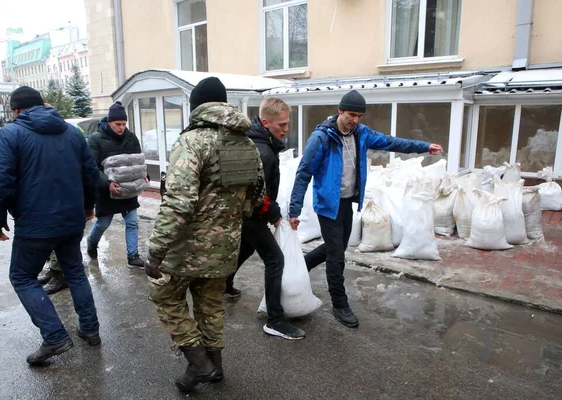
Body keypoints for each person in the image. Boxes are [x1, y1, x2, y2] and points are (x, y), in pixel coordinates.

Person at [145, 77, 265, 393]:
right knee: (210, 303)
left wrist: (157, 248)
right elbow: (256, 196)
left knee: (165, 296)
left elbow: (179, 202)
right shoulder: (247, 143)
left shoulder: (192, 142)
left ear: (196, 106)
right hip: (225, 246)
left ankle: (199, 363)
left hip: (186, 248)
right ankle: (215, 367)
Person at [289, 90, 443, 328]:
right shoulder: (322, 138)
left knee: (336, 246)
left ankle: (302, 266)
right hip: (327, 205)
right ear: (340, 111)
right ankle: (340, 304)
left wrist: (423, 146)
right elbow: (303, 174)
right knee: (336, 255)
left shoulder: (361, 134)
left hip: (347, 202)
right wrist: (294, 210)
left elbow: (392, 142)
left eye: (360, 116)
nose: (356, 120)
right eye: (352, 114)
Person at [0, 86, 101, 365]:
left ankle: (54, 336)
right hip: (71, 220)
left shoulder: (10, 134)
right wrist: (87, 208)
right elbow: (90, 175)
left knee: (22, 277)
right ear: (43, 106)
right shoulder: (73, 133)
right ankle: (90, 329)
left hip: (35, 224)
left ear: (15, 110)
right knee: (74, 271)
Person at [224, 97, 305, 340]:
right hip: (252, 214)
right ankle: (275, 320)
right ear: (266, 122)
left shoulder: (258, 142)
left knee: (245, 249)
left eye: (287, 124)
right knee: (275, 260)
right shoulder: (263, 152)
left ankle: (223, 285)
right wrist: (275, 216)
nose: (286, 129)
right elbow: (258, 193)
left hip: (247, 213)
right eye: (282, 124)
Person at [86, 102, 146, 268]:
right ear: (109, 122)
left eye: (124, 124)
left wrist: (144, 175)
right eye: (117, 124)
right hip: (106, 191)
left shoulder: (131, 138)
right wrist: (107, 183)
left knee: (132, 222)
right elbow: (92, 167)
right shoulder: (95, 140)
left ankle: (133, 256)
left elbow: (138, 162)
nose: (121, 128)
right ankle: (92, 242)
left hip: (129, 189)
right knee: (103, 224)